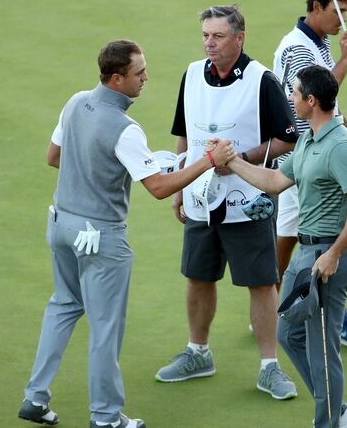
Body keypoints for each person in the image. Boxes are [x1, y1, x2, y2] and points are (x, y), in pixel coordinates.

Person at [18, 40, 236, 428]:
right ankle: (105, 417)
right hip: (101, 238)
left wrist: (96, 169)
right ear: (117, 78)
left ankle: (35, 397)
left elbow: (55, 157)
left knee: (63, 306)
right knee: (105, 329)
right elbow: (158, 188)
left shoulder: (75, 102)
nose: (146, 78)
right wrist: (208, 161)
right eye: (139, 73)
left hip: (61, 226)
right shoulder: (126, 129)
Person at [155, 5, 300, 400]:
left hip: (249, 199)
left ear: (239, 38)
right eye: (205, 35)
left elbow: (288, 137)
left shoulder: (261, 81)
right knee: (198, 276)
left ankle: (270, 367)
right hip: (201, 198)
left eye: (218, 36)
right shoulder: (191, 75)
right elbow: (184, 133)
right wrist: (180, 184)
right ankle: (197, 352)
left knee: (261, 282)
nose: (209, 43)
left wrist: (241, 159)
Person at [228, 65, 347, 428]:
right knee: (287, 333)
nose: (291, 98)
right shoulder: (309, 138)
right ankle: (337, 410)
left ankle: (327, 420)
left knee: (323, 351)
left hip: (328, 258)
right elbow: (276, 180)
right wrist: (231, 161)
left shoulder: (340, 146)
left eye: (295, 93)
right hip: (306, 255)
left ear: (311, 100)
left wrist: (335, 253)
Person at [272, 0, 347, 348]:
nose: (344, 21)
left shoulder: (318, 42)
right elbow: (312, 103)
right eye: (338, 11)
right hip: (306, 160)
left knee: (290, 236)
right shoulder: (299, 49)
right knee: (314, 239)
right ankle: (317, 312)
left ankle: (275, 304)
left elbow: (325, 107)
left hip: (314, 153)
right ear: (316, 7)